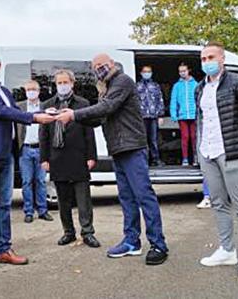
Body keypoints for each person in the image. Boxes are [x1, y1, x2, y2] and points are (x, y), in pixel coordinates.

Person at [56, 53, 169, 266]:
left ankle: (158, 244)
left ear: (111, 64)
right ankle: (131, 241)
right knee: (127, 199)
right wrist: (66, 117)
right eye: (95, 67)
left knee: (144, 196)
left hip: (133, 147)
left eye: (102, 65)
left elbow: (106, 107)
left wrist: (74, 114)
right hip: (118, 149)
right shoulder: (106, 87)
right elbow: (99, 118)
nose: (99, 69)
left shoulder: (122, 81)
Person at [0, 48, 55, 273]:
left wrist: (48, 112)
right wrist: (35, 118)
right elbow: (1, 112)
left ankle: (4, 250)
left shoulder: (5, 90)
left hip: (7, 154)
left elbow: (17, 109)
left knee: (5, 205)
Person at [196, 41, 238, 278]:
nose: (207, 63)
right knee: (218, 203)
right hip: (208, 153)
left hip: (232, 152)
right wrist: (200, 150)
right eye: (203, 59)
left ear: (222, 59)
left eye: (211, 57)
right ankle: (227, 250)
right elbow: (201, 120)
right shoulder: (200, 88)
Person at [40, 69, 100, 248]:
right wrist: (44, 158)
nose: (62, 86)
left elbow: (89, 132)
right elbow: (43, 134)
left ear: (72, 84)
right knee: (63, 200)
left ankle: (87, 232)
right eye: (59, 83)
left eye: (66, 82)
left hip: (78, 156)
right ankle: (68, 232)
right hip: (57, 157)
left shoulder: (82, 103)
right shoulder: (48, 105)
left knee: (83, 200)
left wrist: (91, 156)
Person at [17, 80, 53, 223]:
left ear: (39, 91)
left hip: (41, 149)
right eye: (28, 89)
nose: (31, 92)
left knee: (41, 181)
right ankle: (29, 211)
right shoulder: (19, 107)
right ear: (25, 91)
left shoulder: (45, 107)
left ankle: (43, 211)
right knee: (26, 182)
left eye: (34, 89)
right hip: (25, 149)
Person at [136, 66, 165, 167]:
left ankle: (156, 159)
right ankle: (144, 160)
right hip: (141, 116)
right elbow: (134, 102)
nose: (147, 73)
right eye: (145, 71)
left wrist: (161, 115)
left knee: (153, 139)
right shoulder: (137, 86)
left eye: (149, 71)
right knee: (143, 140)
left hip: (153, 116)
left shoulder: (155, 86)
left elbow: (160, 100)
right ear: (141, 73)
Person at [170, 63, 198, 166]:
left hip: (194, 115)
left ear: (188, 70)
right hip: (182, 116)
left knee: (194, 137)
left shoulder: (196, 84)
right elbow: (174, 100)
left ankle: (195, 157)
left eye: (184, 71)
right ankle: (185, 158)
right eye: (180, 71)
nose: (182, 73)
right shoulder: (177, 86)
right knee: (185, 137)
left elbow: (199, 100)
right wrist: (174, 114)